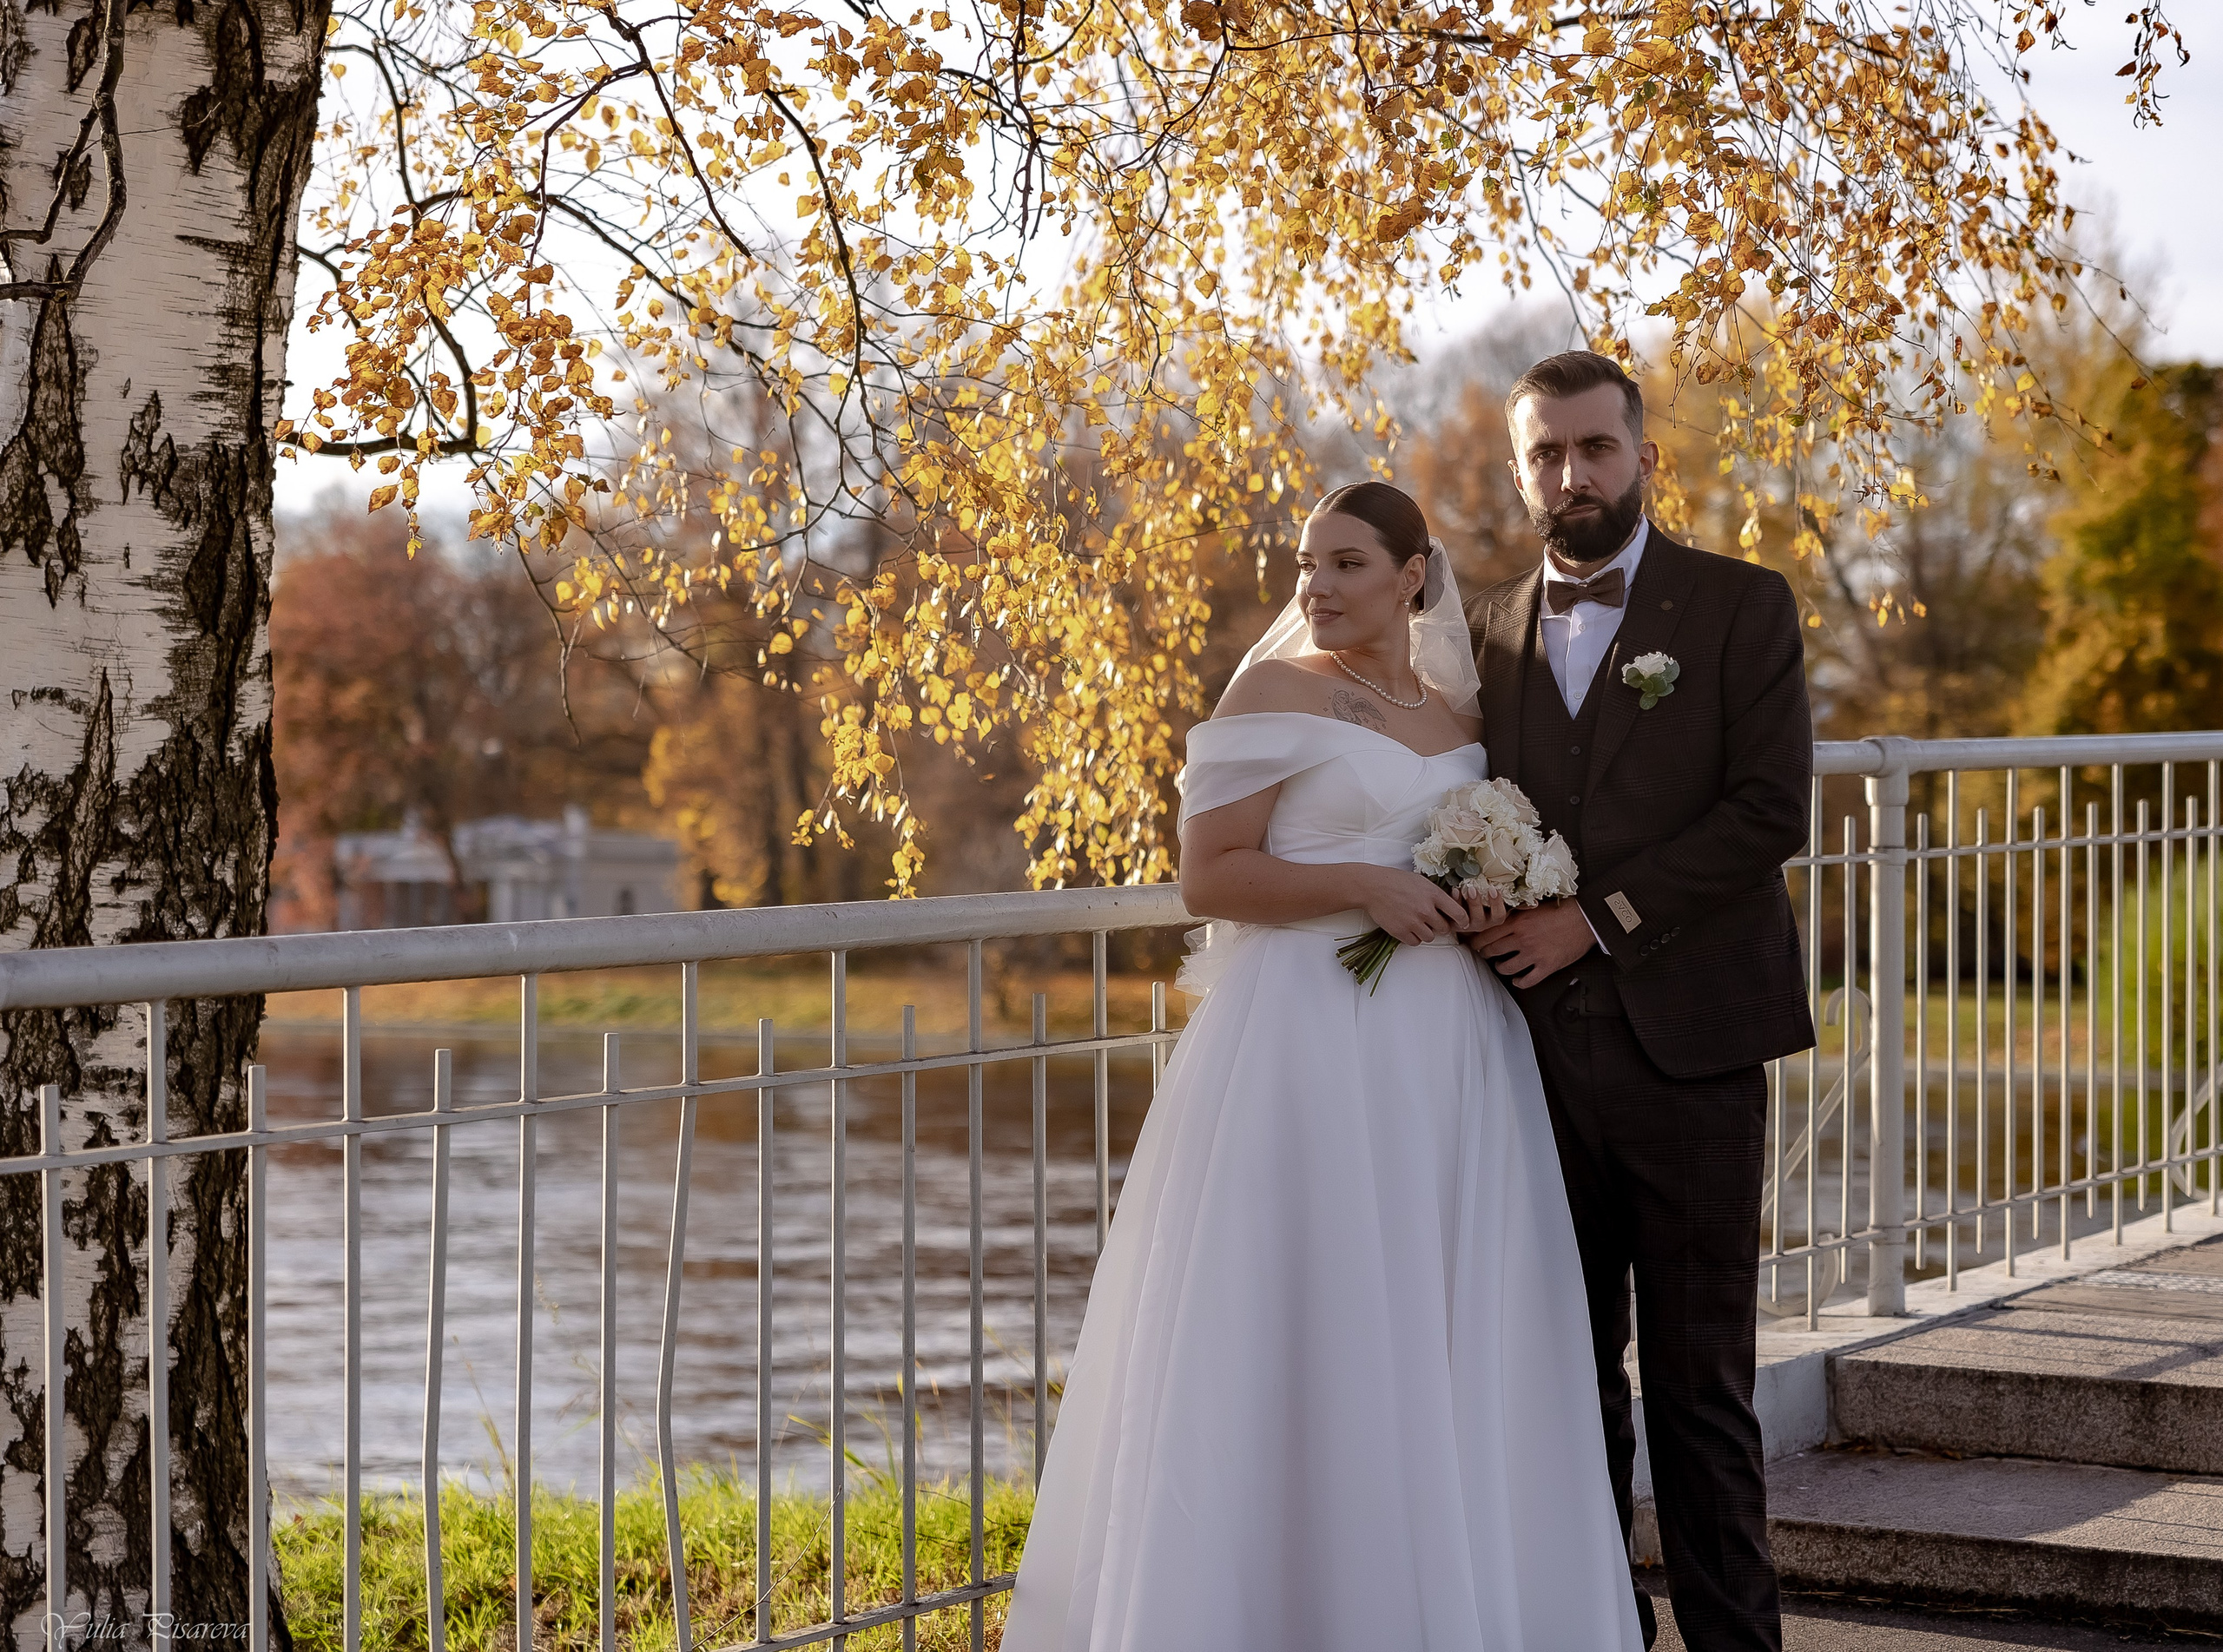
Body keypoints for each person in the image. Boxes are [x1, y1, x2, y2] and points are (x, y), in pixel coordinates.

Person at [1002, 481, 1643, 1652]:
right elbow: (1211, 877)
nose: (1318, 588)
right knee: (1308, 1314)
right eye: (1308, 565)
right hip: (1306, 1044)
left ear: (1412, 576)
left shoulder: (1456, 711)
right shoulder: (1273, 690)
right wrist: (1366, 885)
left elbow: (1462, 849)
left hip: (1449, 1050)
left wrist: (1479, 891)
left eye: (1348, 565)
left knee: (1441, 1320)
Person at [1466, 352, 1816, 1652]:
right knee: (1564, 1389)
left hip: (1696, 1054)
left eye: (1595, 448)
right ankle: (1600, 1631)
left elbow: (1770, 811)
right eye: (1546, 455)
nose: (1573, 476)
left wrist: (1595, 922)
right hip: (1523, 1063)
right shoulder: (1485, 631)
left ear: (1645, 457)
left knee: (1699, 1394)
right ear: (1520, 473)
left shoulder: (1740, 607)